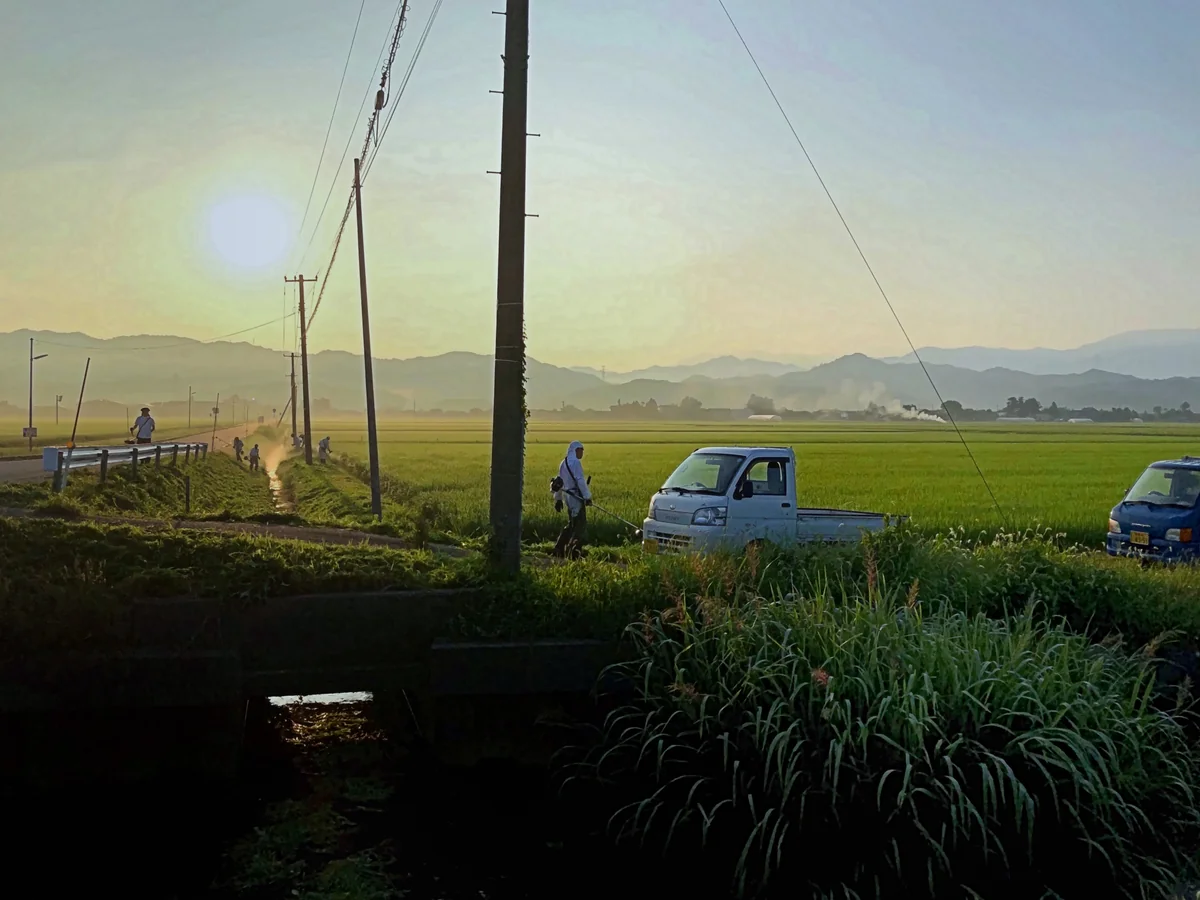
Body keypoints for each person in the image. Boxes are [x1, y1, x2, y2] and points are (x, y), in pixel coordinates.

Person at [552, 440, 591, 559]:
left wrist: (558, 499)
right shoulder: (575, 463)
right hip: (575, 497)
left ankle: (559, 548)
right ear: (575, 450)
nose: (582, 453)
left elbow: (559, 482)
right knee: (580, 525)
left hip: (567, 497)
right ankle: (574, 552)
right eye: (581, 450)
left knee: (571, 524)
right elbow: (580, 481)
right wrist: (587, 497)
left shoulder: (563, 463)